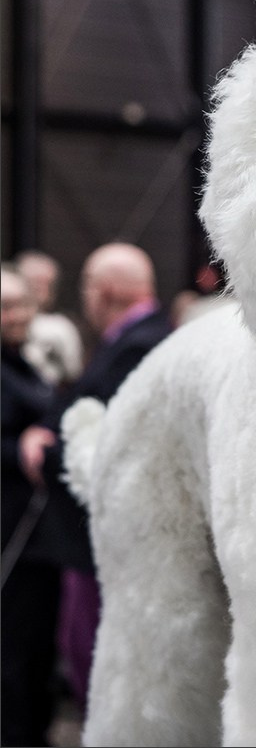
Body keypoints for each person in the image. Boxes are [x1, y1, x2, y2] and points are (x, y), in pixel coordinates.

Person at [21, 243, 173, 716]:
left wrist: (46, 452)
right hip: (97, 536)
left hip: (105, 537)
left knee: (95, 655)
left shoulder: (140, 344)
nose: (83, 297)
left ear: (105, 291)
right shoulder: (134, 338)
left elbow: (117, 443)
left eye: (86, 285)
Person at [1, 265, 59, 747]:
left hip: (37, 532)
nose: (16, 314)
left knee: (35, 643)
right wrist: (16, 445)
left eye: (21, 304)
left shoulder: (26, 363)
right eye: (5, 307)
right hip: (9, 533)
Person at [15, 250, 83, 387]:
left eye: (47, 283)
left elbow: (72, 375)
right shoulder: (9, 321)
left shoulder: (61, 327)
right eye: (34, 282)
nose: (40, 289)